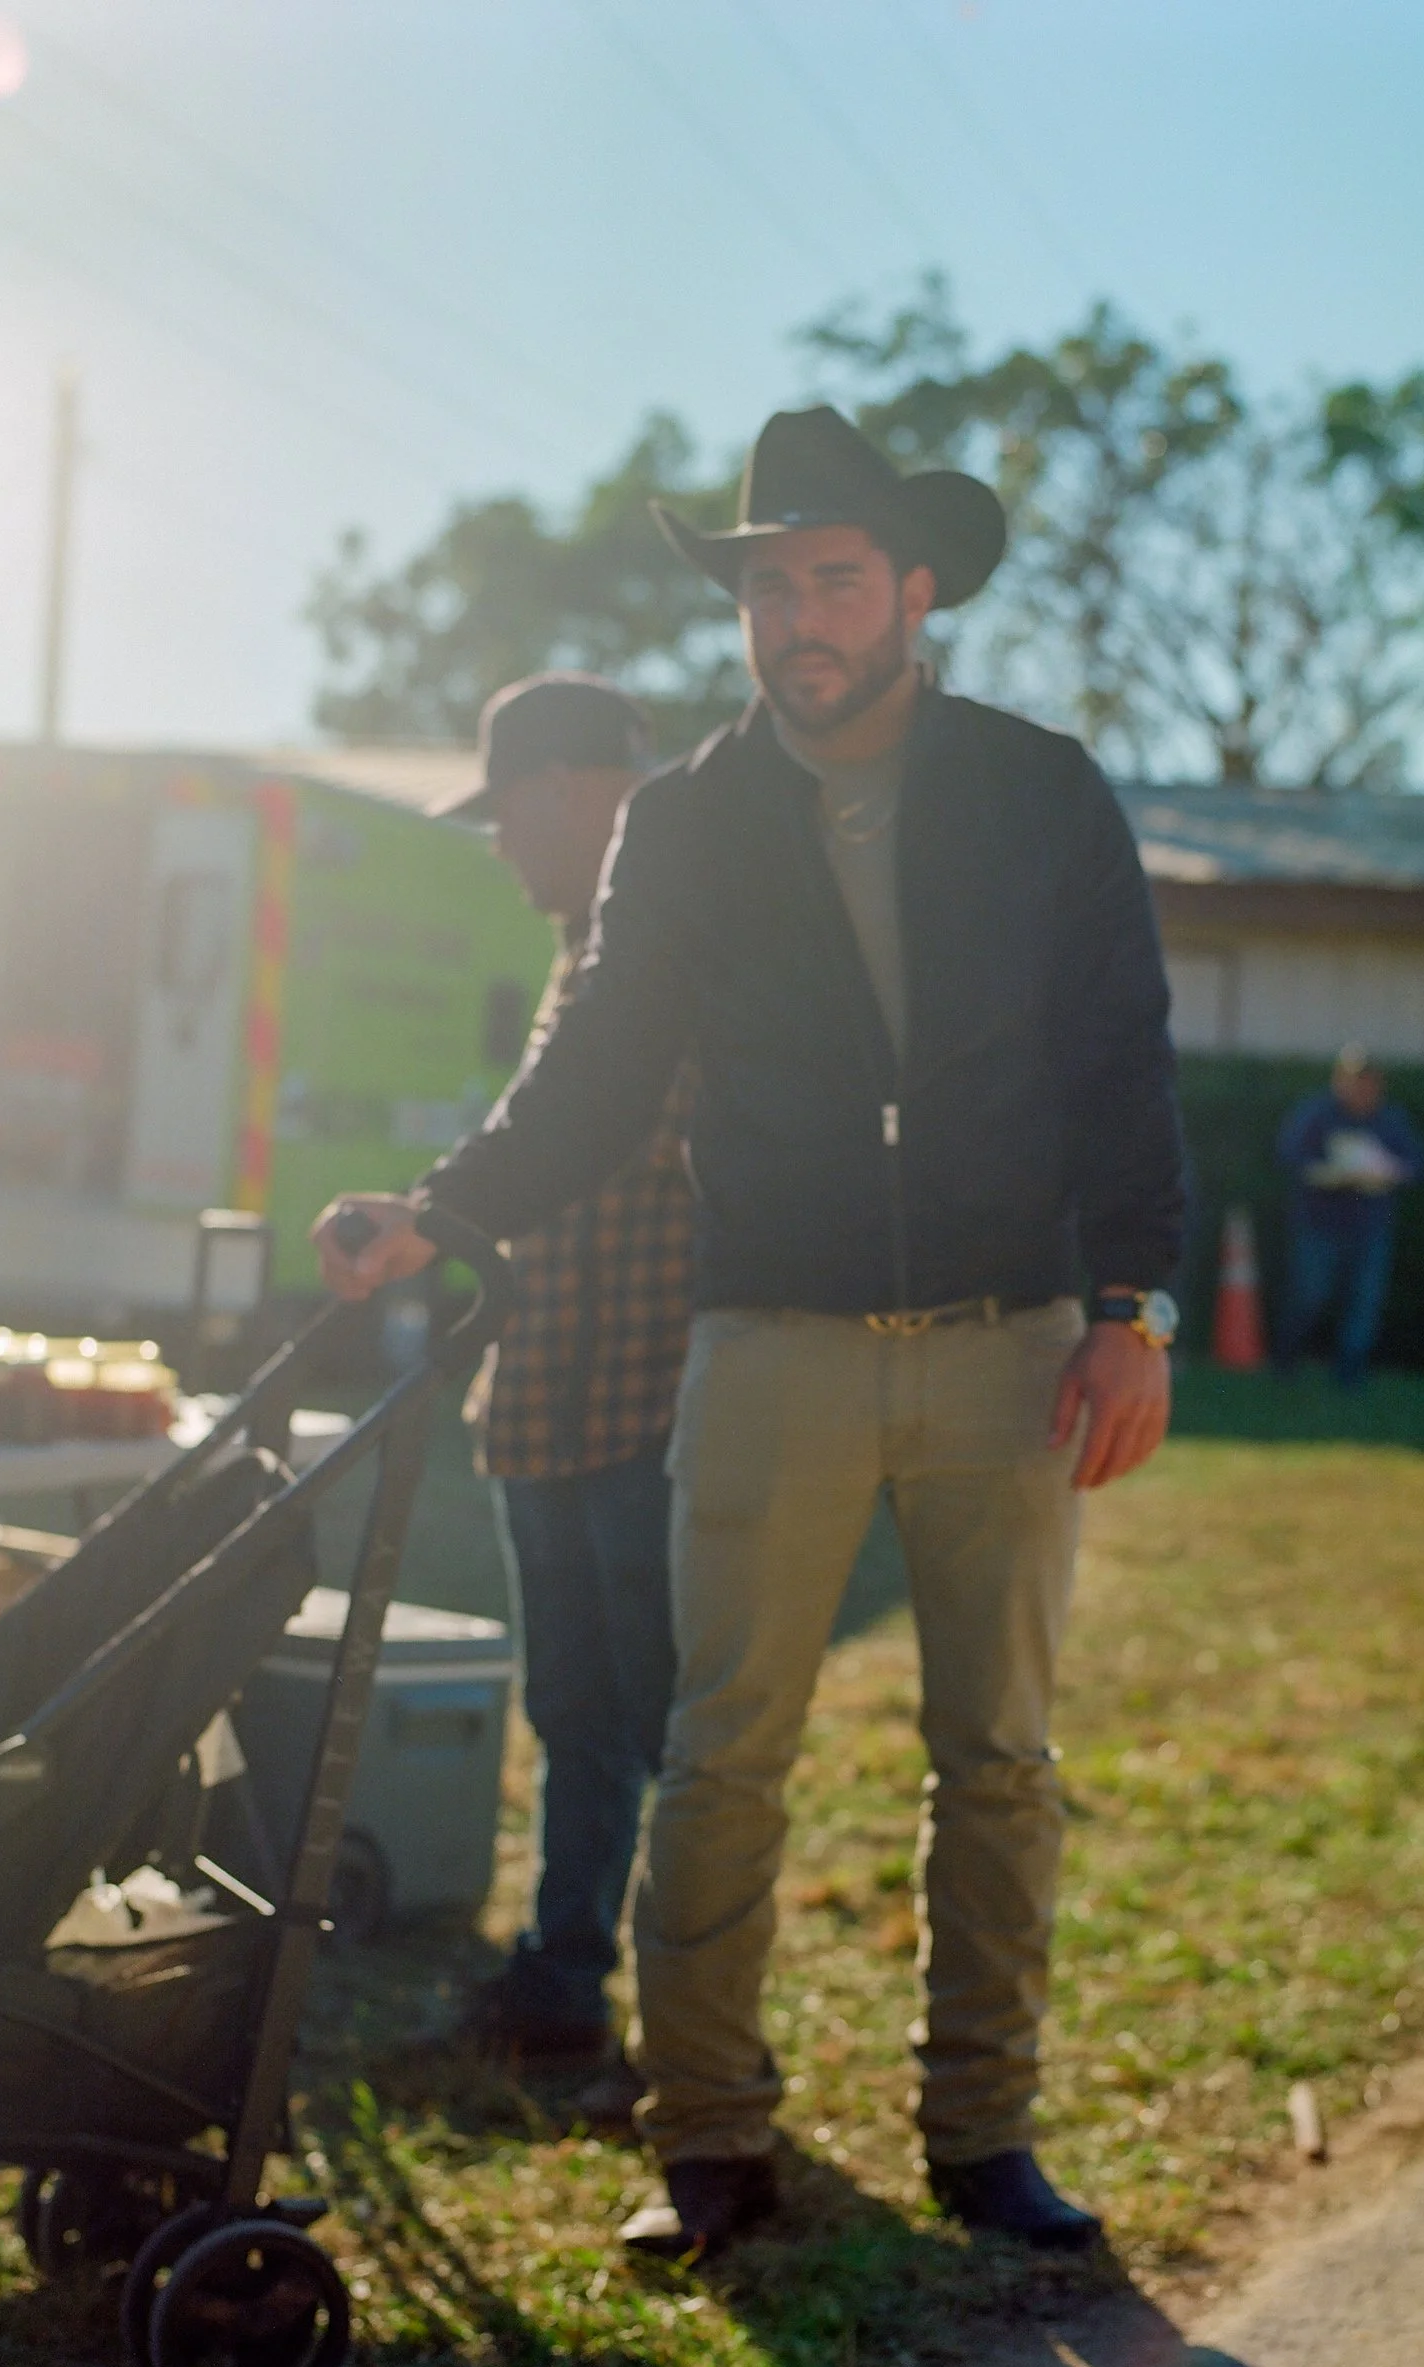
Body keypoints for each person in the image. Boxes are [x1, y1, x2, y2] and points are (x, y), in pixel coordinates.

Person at [317, 405, 1188, 2260]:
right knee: (723, 1755)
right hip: (773, 1340)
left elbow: (1122, 1069)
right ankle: (705, 2142)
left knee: (1001, 1762)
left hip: (1006, 1339)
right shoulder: (693, 820)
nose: (804, 614)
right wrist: (446, 1208)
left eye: (838, 578)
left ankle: (983, 2135)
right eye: (771, 584)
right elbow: (603, 1060)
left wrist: (1131, 1311)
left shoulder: (1039, 790)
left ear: (914, 586)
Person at [439, 674, 688, 2069]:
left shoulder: (665, 950)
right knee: (574, 1711)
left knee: (650, 1715)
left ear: (562, 791)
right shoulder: (572, 946)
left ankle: (674, 2005)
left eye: (502, 817)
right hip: (545, 1386)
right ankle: (561, 1969)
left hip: (641, 1386)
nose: (498, 846)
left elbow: (635, 1159)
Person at [1272, 1046, 1424, 1388]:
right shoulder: (1317, 1114)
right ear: (1340, 1080)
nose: (1363, 1089)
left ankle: (1349, 1376)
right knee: (1310, 1294)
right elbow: (1289, 1157)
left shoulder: (1389, 1120)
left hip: (1370, 1228)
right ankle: (1286, 1362)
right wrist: (1329, 1172)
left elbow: (1415, 1164)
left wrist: (1389, 1171)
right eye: (1356, 1081)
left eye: (1370, 1082)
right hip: (1319, 1224)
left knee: (1363, 1303)